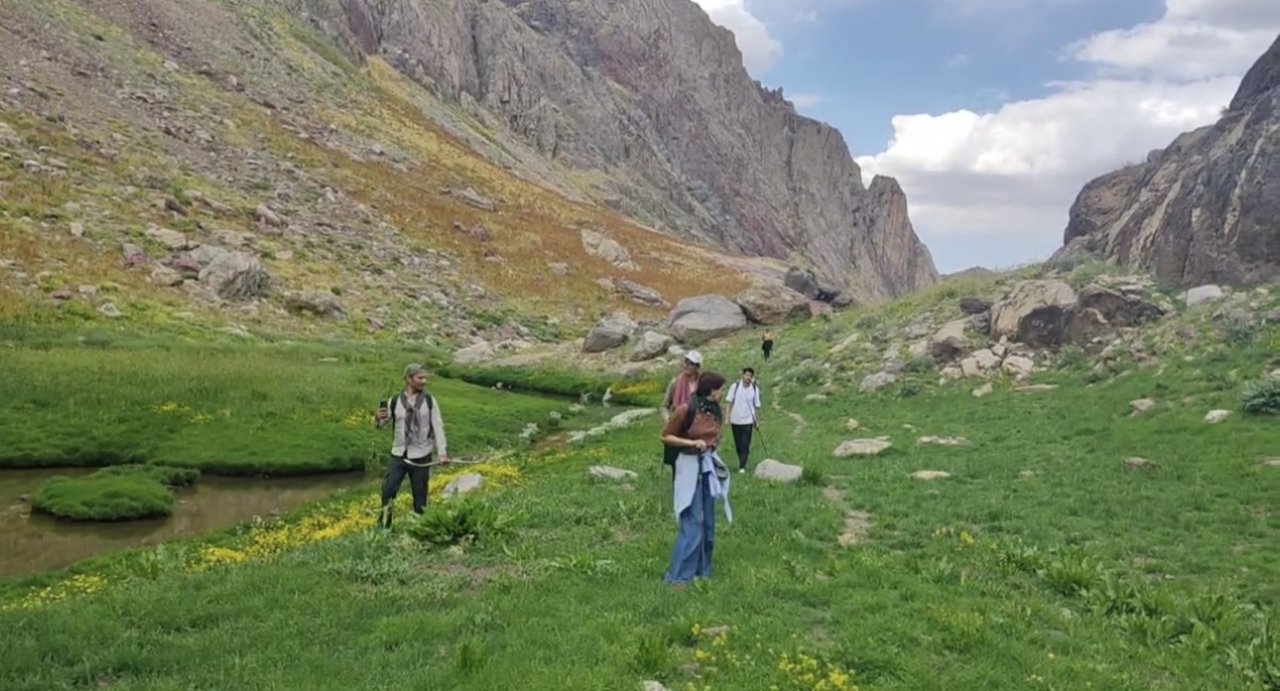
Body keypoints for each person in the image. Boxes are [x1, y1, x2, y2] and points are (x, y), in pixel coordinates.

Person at [660, 371, 733, 589]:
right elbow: (666, 436)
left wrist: (713, 449)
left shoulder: (715, 410)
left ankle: (702, 572)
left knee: (708, 525)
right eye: (720, 389)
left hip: (707, 467)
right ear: (711, 390)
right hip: (688, 466)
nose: (722, 393)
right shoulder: (686, 409)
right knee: (692, 524)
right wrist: (692, 443)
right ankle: (677, 577)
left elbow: (715, 436)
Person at [374, 363, 449, 528]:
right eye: (420, 378)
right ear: (408, 379)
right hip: (399, 454)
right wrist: (378, 418)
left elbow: (438, 426)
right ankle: (384, 526)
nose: (424, 381)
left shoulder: (429, 401)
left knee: (420, 496)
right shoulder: (395, 401)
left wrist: (442, 452)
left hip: (421, 455)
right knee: (388, 490)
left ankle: (420, 528)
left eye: (425, 378)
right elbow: (381, 425)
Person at [724, 367, 762, 473]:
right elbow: (729, 402)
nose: (748, 378)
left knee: (745, 443)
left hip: (748, 420)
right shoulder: (735, 386)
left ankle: (742, 466)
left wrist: (757, 421)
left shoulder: (754, 389)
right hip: (735, 419)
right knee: (738, 444)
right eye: (746, 375)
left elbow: (757, 406)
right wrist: (727, 417)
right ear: (742, 375)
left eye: (750, 376)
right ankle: (741, 460)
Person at [660, 350, 702, 422]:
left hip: (696, 423)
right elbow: (664, 406)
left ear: (697, 367)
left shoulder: (702, 383)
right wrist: (668, 419)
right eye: (686, 362)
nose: (687, 366)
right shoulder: (675, 382)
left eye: (691, 364)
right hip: (678, 421)